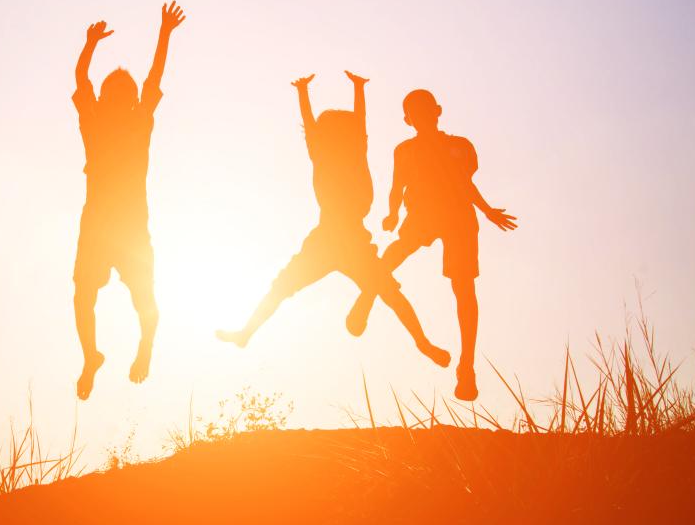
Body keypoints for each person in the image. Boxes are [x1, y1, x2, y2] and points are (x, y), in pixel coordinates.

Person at [217, 72, 451, 369]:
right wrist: (317, 93)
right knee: (290, 286)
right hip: (331, 237)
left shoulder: (350, 149)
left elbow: (353, 123)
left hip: (347, 239)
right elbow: (323, 126)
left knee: (386, 290)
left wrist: (345, 91)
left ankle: (423, 342)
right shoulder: (328, 152)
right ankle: (246, 332)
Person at [343, 88, 517, 401]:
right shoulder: (404, 150)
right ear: (408, 120)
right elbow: (398, 185)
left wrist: (486, 209)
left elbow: (465, 182)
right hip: (423, 212)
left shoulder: (460, 146)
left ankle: (467, 366)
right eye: (414, 112)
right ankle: (367, 297)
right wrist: (392, 213)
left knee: (463, 288)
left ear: (437, 111)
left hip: (458, 217)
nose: (420, 117)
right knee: (393, 254)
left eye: (425, 110)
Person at [72, 1, 186, 400]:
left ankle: (135, 349)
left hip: (121, 226)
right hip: (112, 226)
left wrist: (90, 45)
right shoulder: (115, 120)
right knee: (97, 295)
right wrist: (163, 33)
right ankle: (93, 357)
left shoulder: (111, 120)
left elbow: (85, 79)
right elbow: (87, 81)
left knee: (132, 297)